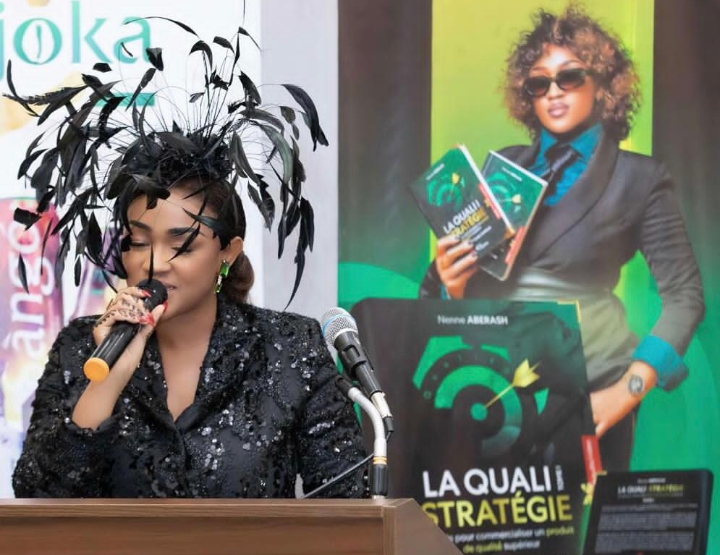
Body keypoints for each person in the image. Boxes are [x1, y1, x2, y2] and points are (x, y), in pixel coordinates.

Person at [8, 21, 367, 498]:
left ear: (227, 252)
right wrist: (106, 381)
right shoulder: (80, 349)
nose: (155, 263)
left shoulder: (290, 347)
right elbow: (38, 497)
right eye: (138, 242)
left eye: (181, 245)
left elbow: (349, 502)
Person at [420, 5, 705, 470]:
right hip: (492, 389)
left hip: (592, 389)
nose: (553, 91)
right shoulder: (500, 168)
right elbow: (453, 300)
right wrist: (452, 285)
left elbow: (685, 298)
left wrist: (628, 390)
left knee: (582, 520)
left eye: (569, 77)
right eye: (539, 83)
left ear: (602, 84)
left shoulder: (639, 178)